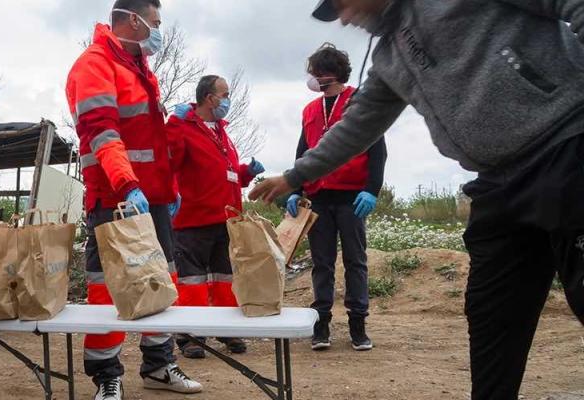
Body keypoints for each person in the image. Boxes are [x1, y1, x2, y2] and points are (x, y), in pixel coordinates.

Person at [249, 1, 584, 398]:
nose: (344, 18)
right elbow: (357, 125)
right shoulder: (391, 56)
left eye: (342, 4)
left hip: (568, 148)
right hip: (497, 182)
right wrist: (293, 176)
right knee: (492, 318)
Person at [65, 1, 202, 399]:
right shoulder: (95, 64)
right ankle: (107, 375)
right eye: (155, 22)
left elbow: (152, 144)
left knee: (162, 281)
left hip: (151, 197)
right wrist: (127, 185)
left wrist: (168, 190)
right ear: (132, 19)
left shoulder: (139, 68)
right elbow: (102, 134)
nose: (159, 30)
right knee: (108, 287)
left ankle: (159, 365)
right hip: (115, 197)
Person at [288, 43, 386, 352]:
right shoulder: (310, 110)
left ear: (336, 73)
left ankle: (358, 323)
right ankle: (322, 324)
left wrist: (372, 190)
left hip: (352, 196)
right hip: (319, 196)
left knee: (355, 260)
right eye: (314, 74)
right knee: (322, 262)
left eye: (322, 74)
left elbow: (378, 150)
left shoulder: (358, 102)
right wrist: (295, 188)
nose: (317, 79)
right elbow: (303, 151)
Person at [167, 75, 266, 359]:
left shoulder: (221, 130)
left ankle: (226, 328)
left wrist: (246, 173)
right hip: (193, 220)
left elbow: (226, 173)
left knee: (225, 278)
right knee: (192, 280)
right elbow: (170, 159)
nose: (228, 99)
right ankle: (190, 336)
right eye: (225, 94)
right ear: (210, 98)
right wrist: (175, 123)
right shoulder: (183, 127)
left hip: (226, 219)